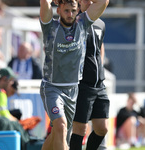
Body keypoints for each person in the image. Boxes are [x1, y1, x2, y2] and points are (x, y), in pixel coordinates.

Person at [39, 0, 109, 149]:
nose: (70, 14)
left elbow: (104, 2)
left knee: (58, 133)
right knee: (61, 125)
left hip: (72, 91)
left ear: (78, 11)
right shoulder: (50, 27)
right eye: (66, 11)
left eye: (73, 10)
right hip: (52, 88)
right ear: (58, 10)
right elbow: (44, 2)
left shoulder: (82, 25)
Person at [69, 0, 109, 149]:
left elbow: (100, 47)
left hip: (99, 84)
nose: (91, 2)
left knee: (102, 128)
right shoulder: (75, 21)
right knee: (80, 129)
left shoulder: (101, 24)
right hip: (83, 84)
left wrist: (100, 67)